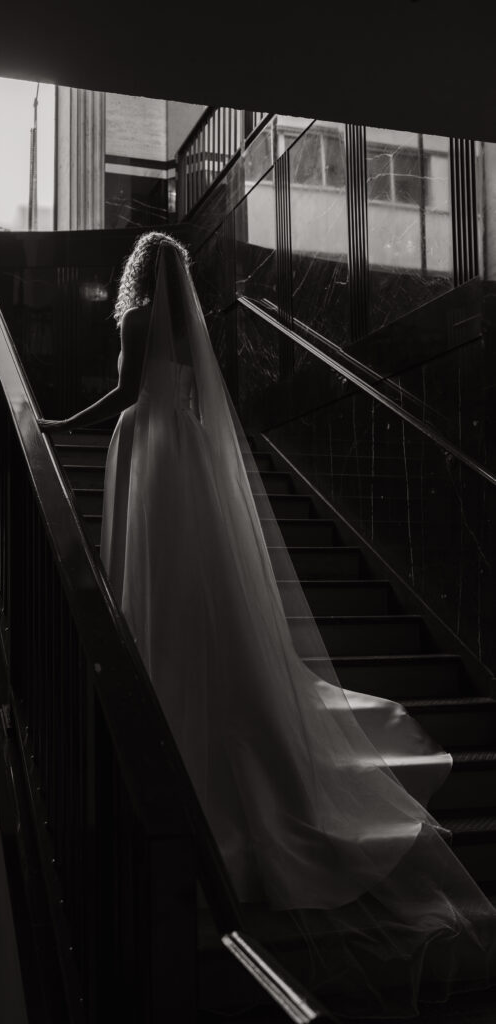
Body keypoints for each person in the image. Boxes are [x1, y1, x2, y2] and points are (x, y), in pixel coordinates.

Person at [38, 231, 496, 1018]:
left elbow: (123, 394)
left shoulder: (138, 319)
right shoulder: (192, 324)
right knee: (197, 591)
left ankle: (168, 709)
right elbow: (193, 395)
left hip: (146, 447)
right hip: (185, 452)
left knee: (156, 586)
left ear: (138, 275)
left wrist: (54, 424)